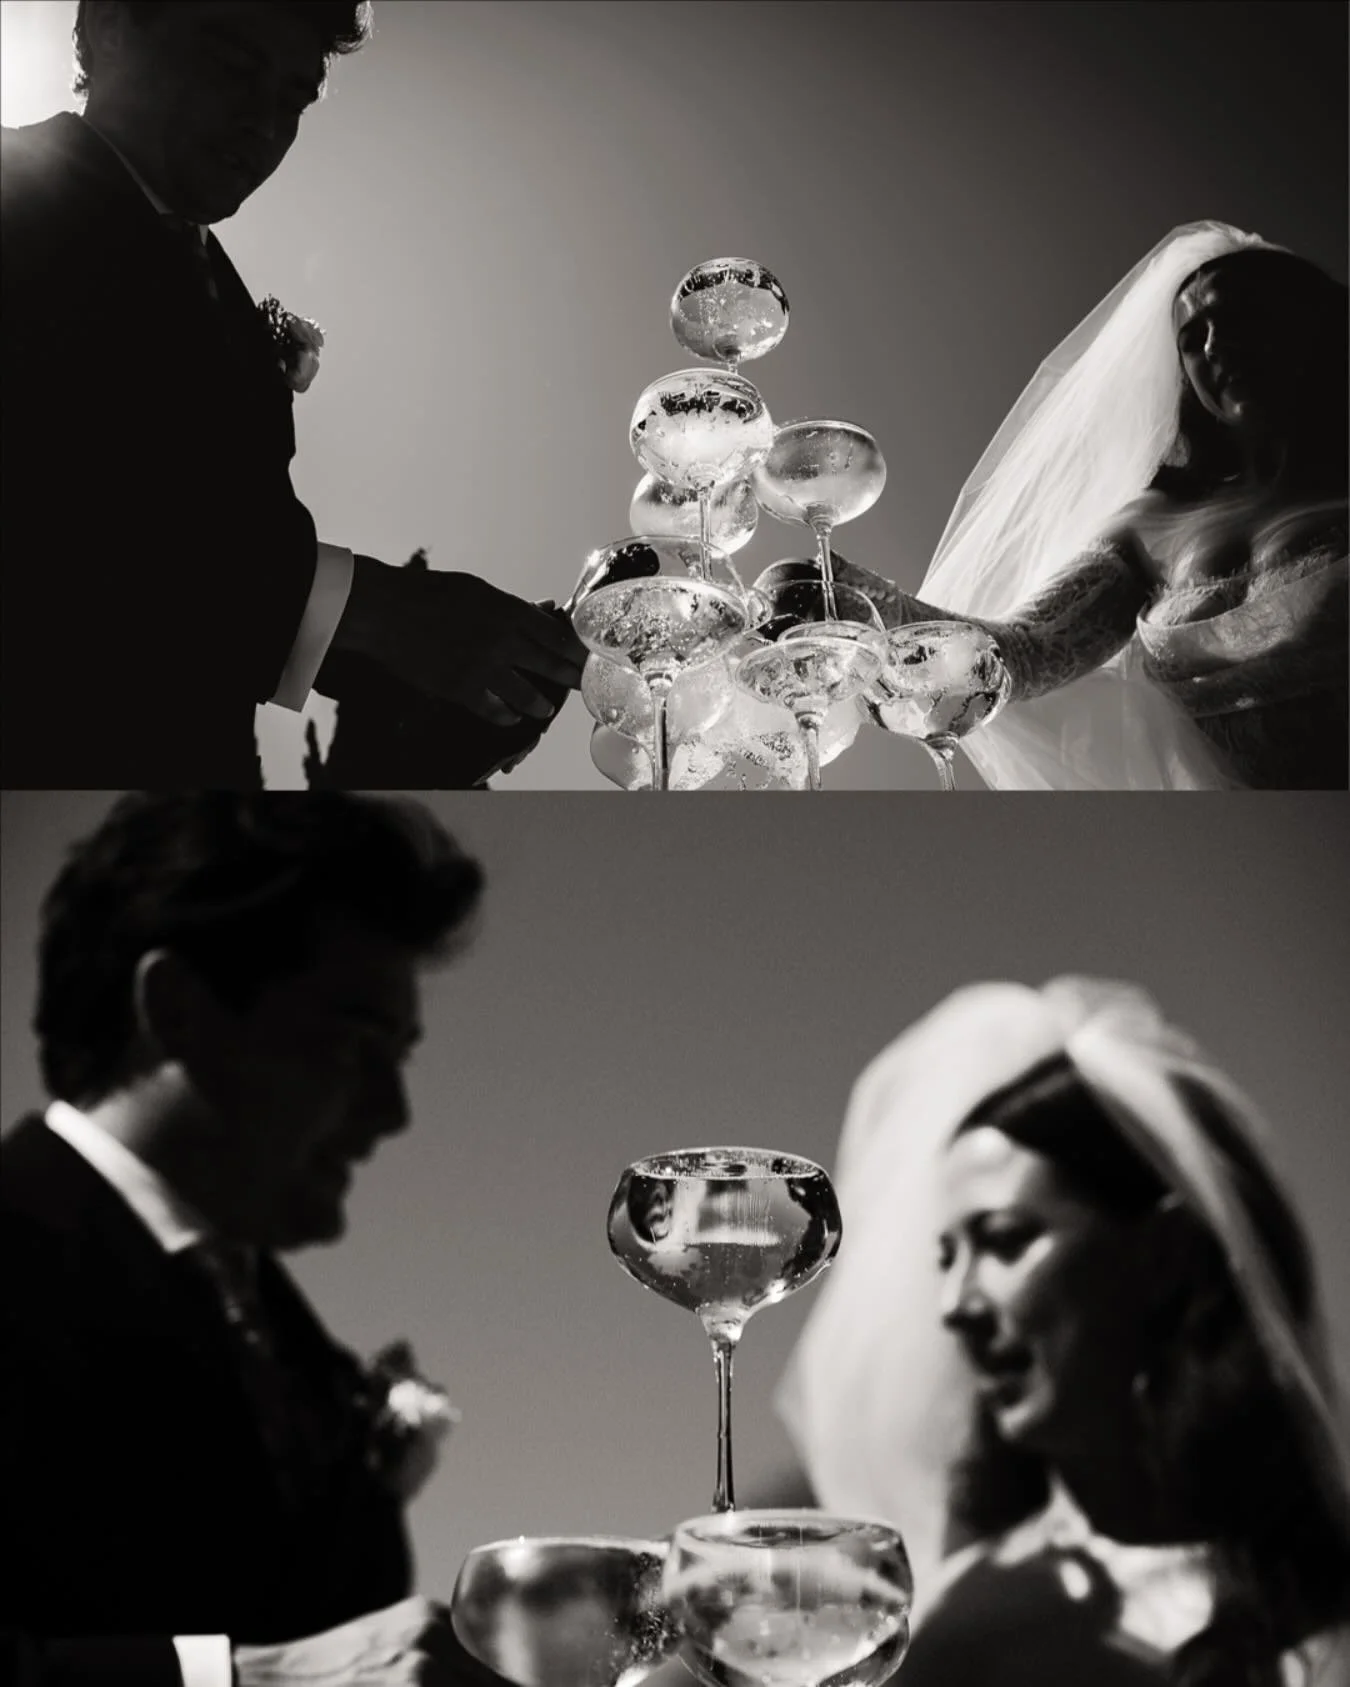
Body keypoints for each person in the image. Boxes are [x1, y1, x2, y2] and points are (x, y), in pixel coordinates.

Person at [0, 2, 586, 787]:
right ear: (110, 24)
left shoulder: (227, 303)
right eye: (234, 67)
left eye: (293, 99)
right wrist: (376, 612)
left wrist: (412, 717)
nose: (263, 124)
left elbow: (200, 580)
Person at [1, 792, 509, 1685]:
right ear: (178, 1008)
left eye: (402, 1056)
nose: (394, 1112)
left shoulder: (300, 1359)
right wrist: (251, 1679)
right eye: (358, 1045)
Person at [774, 978, 1350, 1685]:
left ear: (1165, 1253)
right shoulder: (984, 1630)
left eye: (1007, 1240)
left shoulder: (1321, 1579)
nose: (955, 1304)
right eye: (945, 1258)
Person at [835, 223, 1348, 789]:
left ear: (1308, 322)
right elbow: (1027, 652)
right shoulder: (1156, 524)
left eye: (1241, 315)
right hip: (1227, 849)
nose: (1214, 346)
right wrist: (852, 597)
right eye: (1191, 336)